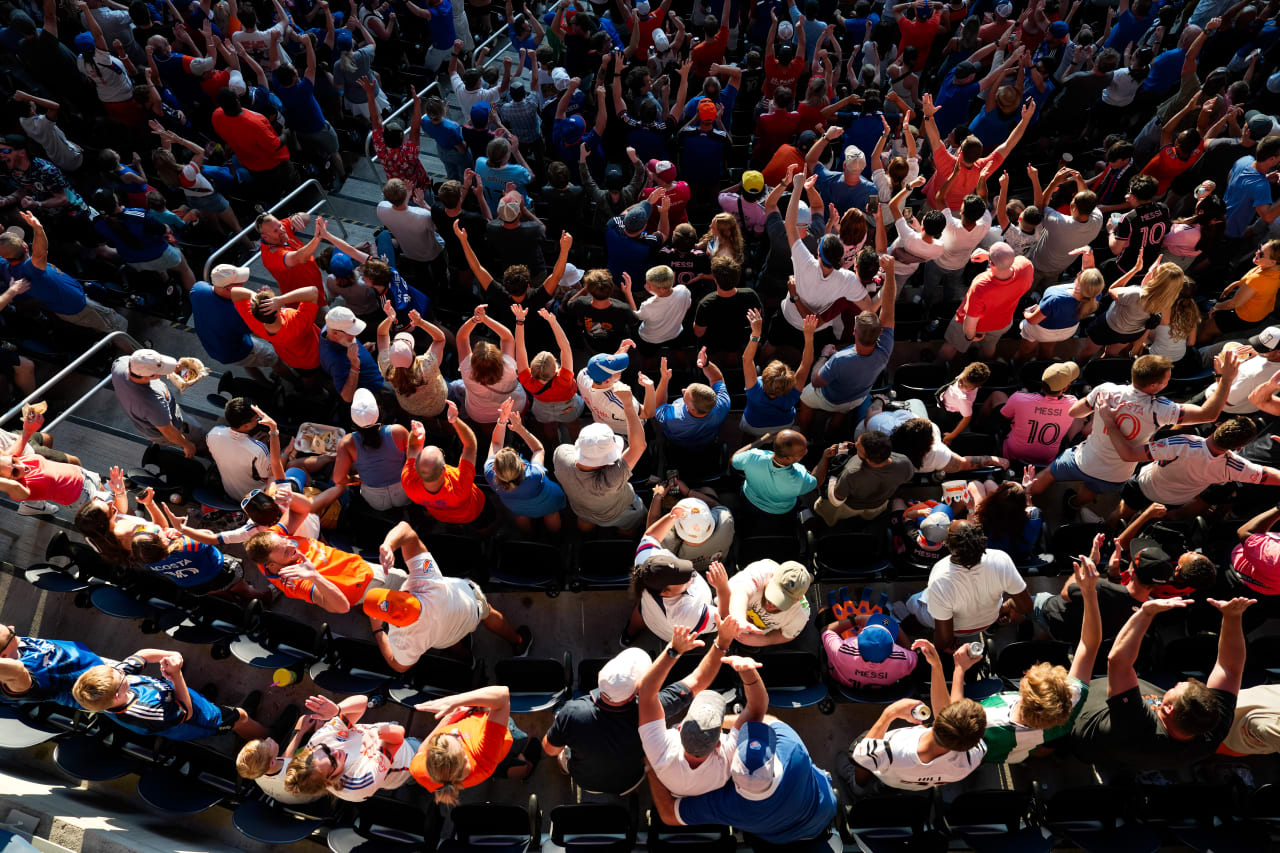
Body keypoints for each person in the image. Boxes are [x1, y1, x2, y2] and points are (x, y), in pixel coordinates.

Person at [542, 616, 738, 797]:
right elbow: (698, 680)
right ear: (636, 691)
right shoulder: (652, 710)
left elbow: (549, 749)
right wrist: (722, 642)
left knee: (561, 754)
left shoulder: (571, 712)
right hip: (630, 782)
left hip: (586, 783)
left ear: (601, 673)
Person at [1030, 352, 1240, 511]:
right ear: (1155, 386)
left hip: (1083, 460)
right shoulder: (1162, 409)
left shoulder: (1105, 390)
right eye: (1167, 379)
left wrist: (1095, 408)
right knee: (1092, 488)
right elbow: (1209, 414)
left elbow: (1075, 412)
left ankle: (1026, 498)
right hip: (1117, 475)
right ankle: (1074, 504)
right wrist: (1226, 379)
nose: (1168, 382)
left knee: (1048, 473)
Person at [1070, 596, 1252, 769]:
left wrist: (1145, 613)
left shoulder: (1139, 730)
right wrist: (1233, 617)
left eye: (1174, 689)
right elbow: (1230, 669)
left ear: (1168, 709)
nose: (1176, 684)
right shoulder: (1209, 727)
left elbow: (1118, 662)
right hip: (1117, 752)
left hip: (1071, 721)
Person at [980, 555, 1103, 764]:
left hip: (990, 751)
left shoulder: (989, 721)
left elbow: (952, 726)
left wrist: (956, 670)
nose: (1026, 674)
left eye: (1028, 678)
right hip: (1021, 750)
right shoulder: (1070, 704)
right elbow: (1089, 645)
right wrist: (1089, 594)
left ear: (1023, 692)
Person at [647, 713, 838, 844]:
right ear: (771, 768)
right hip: (824, 809)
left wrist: (652, 764)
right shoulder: (792, 751)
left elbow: (668, 815)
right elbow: (768, 719)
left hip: (780, 838)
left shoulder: (727, 806)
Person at [364, 521, 530, 670]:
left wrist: (378, 631)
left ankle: (465, 660)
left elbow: (399, 666)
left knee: (446, 638)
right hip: (471, 608)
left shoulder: (405, 639)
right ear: (402, 594)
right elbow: (407, 531)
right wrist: (388, 545)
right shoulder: (425, 579)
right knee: (489, 613)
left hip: (447, 637)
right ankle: (517, 641)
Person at [836, 642, 987, 795]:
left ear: (940, 721)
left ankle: (857, 786)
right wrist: (946, 668)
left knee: (860, 746)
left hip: (887, 772)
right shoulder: (973, 755)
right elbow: (951, 715)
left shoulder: (894, 750)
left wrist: (890, 713)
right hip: (914, 783)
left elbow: (862, 757)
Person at [637, 621, 764, 798]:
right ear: (719, 743)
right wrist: (748, 672)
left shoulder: (659, 750)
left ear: (680, 728)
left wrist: (674, 651)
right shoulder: (726, 761)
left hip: (673, 786)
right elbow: (757, 710)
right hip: (699, 788)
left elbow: (646, 693)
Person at [1102, 415, 1280, 522]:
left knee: (1118, 515)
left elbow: (1129, 455)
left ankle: (1105, 540)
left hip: (1144, 487)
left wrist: (1111, 426)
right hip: (1175, 501)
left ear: (1218, 426)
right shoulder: (1236, 466)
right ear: (1240, 447)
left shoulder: (1184, 442)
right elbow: (1270, 476)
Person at [72, 649, 266, 741]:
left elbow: (143, 655)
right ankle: (266, 739)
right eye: (121, 677)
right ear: (116, 697)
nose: (122, 671)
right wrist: (176, 674)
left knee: (204, 700)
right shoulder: (146, 712)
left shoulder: (114, 681)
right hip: (198, 719)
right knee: (240, 716)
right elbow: (187, 712)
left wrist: (169, 655)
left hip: (178, 697)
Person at [901, 520, 1033, 653]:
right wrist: (1008, 605)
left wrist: (940, 650)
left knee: (915, 602)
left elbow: (945, 638)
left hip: (956, 629)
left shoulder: (941, 574)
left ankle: (909, 625)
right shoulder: (1001, 558)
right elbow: (1026, 606)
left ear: (949, 546)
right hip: (989, 620)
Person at [0, 211, 127, 333]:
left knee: (101, 325)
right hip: (76, 304)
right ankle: (134, 348)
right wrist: (38, 229)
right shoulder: (30, 267)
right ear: (25, 246)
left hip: (66, 307)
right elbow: (41, 251)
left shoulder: (9, 269)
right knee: (115, 327)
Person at [410, 685, 538, 803]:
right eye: (455, 738)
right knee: (513, 760)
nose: (452, 732)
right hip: (505, 741)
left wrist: (450, 718)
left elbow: (421, 751)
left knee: (499, 770)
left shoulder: (422, 770)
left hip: (491, 762)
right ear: (464, 759)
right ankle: (526, 770)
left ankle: (507, 770)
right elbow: (502, 696)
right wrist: (455, 701)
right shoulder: (483, 755)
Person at [283, 693, 417, 802]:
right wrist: (377, 732)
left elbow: (363, 702)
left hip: (387, 738)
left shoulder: (317, 743)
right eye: (333, 762)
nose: (335, 751)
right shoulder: (359, 782)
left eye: (326, 749)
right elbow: (398, 736)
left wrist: (337, 709)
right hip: (407, 760)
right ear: (328, 781)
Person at [554, 380, 648, 533]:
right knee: (630, 525)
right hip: (618, 513)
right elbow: (639, 446)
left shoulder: (561, 454)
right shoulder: (610, 480)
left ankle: (585, 541)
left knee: (585, 523)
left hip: (581, 509)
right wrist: (628, 405)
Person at [624, 518, 728, 647]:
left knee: (640, 611)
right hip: (673, 634)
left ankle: (627, 635)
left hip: (648, 613)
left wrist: (673, 515)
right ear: (665, 592)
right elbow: (723, 620)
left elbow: (651, 536)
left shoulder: (645, 562)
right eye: (682, 580)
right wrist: (723, 589)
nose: (690, 575)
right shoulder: (685, 614)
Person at [401, 403, 494, 531]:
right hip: (475, 512)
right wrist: (455, 420)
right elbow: (470, 446)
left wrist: (415, 433)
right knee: (485, 524)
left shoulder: (409, 483)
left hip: (441, 515)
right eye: (441, 452)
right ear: (443, 469)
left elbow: (413, 447)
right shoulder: (459, 484)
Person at [938, 242, 1034, 364]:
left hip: (974, 325)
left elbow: (970, 321)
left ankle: (938, 369)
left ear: (991, 264)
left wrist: (970, 337)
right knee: (989, 347)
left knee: (950, 347)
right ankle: (984, 366)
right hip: (1001, 323)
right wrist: (991, 256)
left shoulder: (981, 284)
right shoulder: (1026, 268)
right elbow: (1015, 260)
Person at [485, 399, 565, 534]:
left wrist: (501, 421)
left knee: (521, 516)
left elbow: (496, 443)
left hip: (516, 506)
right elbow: (538, 450)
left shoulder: (489, 474)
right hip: (547, 502)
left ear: (495, 469)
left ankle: (527, 536)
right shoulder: (534, 474)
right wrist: (520, 429)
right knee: (551, 514)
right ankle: (555, 538)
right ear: (522, 465)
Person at [110, 349, 200, 458]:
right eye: (160, 371)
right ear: (149, 377)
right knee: (200, 436)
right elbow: (169, 432)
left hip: (151, 420)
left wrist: (174, 368)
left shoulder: (121, 363)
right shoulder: (152, 403)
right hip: (169, 427)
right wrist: (187, 445)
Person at [332, 389, 411, 512]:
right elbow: (414, 460)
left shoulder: (346, 444)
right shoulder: (399, 432)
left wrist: (356, 480)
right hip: (405, 491)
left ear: (354, 421)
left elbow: (338, 479)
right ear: (380, 412)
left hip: (376, 500)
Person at [813, 431, 915, 526]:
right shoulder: (905, 462)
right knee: (867, 519)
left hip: (850, 507)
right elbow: (906, 478)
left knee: (827, 511)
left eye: (858, 447)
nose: (855, 444)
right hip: (878, 505)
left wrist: (833, 477)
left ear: (869, 460)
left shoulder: (852, 472)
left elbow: (837, 498)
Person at [991, 362, 1081, 467]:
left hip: (1013, 457)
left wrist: (1025, 395)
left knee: (997, 395)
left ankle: (978, 428)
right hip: (1046, 461)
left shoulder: (1018, 398)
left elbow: (1002, 418)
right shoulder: (1073, 402)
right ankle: (1069, 447)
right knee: (1079, 418)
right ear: (1065, 389)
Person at [0, 627, 104, 707]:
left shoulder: (14, 647)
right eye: (11, 633)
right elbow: (17, 670)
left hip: (89, 657)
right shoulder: (19, 682)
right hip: (102, 689)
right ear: (3, 656)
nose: (13, 627)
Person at [730, 430, 821, 520]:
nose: (806, 452)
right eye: (802, 451)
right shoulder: (800, 476)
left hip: (749, 501)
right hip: (781, 512)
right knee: (800, 498)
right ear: (788, 458)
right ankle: (804, 514)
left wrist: (762, 440)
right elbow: (817, 482)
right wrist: (825, 457)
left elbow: (733, 459)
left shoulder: (752, 456)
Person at [236, 714, 323, 805]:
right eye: (268, 745)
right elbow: (314, 754)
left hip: (288, 795)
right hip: (312, 790)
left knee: (302, 721)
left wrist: (301, 732)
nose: (269, 738)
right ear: (272, 762)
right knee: (318, 724)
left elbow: (285, 759)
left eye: (263, 740)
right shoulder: (295, 772)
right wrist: (318, 732)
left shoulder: (256, 771)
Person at [822, 610, 918, 691]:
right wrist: (897, 628)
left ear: (858, 639)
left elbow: (825, 630)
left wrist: (855, 620)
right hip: (883, 692)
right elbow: (912, 651)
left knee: (825, 611)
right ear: (893, 647)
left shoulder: (843, 651)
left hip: (843, 686)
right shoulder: (904, 660)